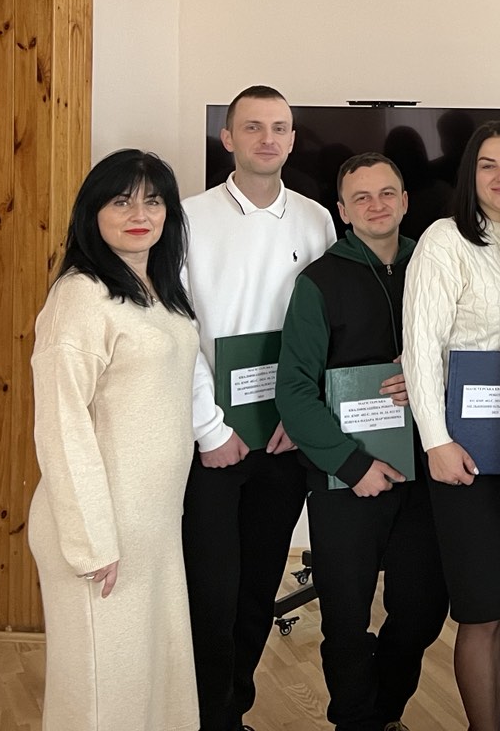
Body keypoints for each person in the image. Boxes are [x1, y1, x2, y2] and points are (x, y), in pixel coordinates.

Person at [401, 121, 500, 731]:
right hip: (464, 451)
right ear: (469, 174)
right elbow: (421, 347)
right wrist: (436, 442)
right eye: (488, 164)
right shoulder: (444, 240)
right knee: (481, 605)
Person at [277, 152, 450, 731]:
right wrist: (352, 466)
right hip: (346, 478)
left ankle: (384, 711)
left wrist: (427, 370)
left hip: (424, 472)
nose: (377, 206)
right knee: (346, 619)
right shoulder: (318, 283)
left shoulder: (437, 266)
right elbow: (294, 392)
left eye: (387, 193)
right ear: (343, 211)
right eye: (361, 198)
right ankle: (355, 720)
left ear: (406, 201)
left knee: (422, 611)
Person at [182, 85, 337, 731]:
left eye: (279, 127)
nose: (267, 138)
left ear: (293, 139)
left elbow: (328, 331)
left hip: (283, 440)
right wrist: (209, 429)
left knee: (256, 592)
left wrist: (300, 418)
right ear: (228, 138)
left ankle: (232, 714)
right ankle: (202, 718)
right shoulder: (186, 219)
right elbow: (177, 332)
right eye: (252, 127)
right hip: (215, 443)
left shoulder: (317, 220)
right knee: (210, 595)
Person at [28, 149, 200, 730]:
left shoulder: (158, 289)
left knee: (152, 679)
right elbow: (61, 422)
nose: (140, 214)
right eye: (122, 200)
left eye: (153, 201)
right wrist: (92, 541)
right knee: (103, 695)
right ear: (93, 211)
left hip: (153, 523)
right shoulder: (80, 295)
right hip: (98, 530)